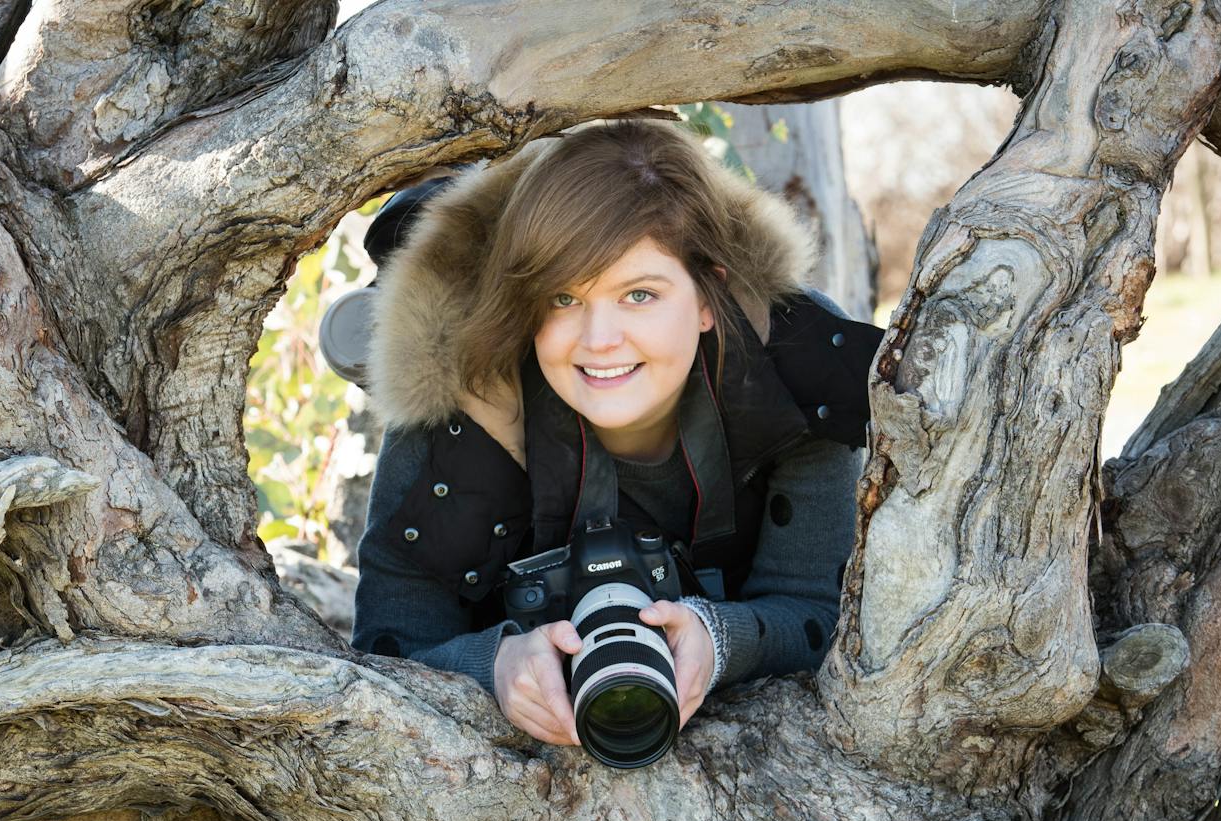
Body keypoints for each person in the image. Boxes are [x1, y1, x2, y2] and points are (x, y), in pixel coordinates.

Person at [349, 120, 882, 748]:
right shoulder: (465, 396)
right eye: (564, 299)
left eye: (638, 294)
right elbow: (387, 652)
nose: (599, 341)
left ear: (711, 294)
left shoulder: (799, 372)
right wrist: (494, 663)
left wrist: (718, 639)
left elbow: (823, 611)